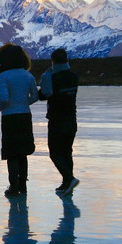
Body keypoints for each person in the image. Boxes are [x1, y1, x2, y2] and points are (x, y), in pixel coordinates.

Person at [0, 43, 39, 197]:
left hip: (9, 117)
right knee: (23, 152)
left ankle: (13, 187)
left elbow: (4, 99)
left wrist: (2, 107)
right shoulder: (28, 75)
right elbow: (35, 96)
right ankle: (23, 185)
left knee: (11, 152)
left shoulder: (4, 76)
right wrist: (24, 103)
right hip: (25, 115)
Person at [39, 48, 80, 196]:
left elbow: (43, 95)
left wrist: (46, 75)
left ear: (53, 61)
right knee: (67, 152)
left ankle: (69, 179)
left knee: (55, 152)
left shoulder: (51, 78)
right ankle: (66, 183)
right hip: (71, 120)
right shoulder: (73, 77)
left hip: (57, 120)